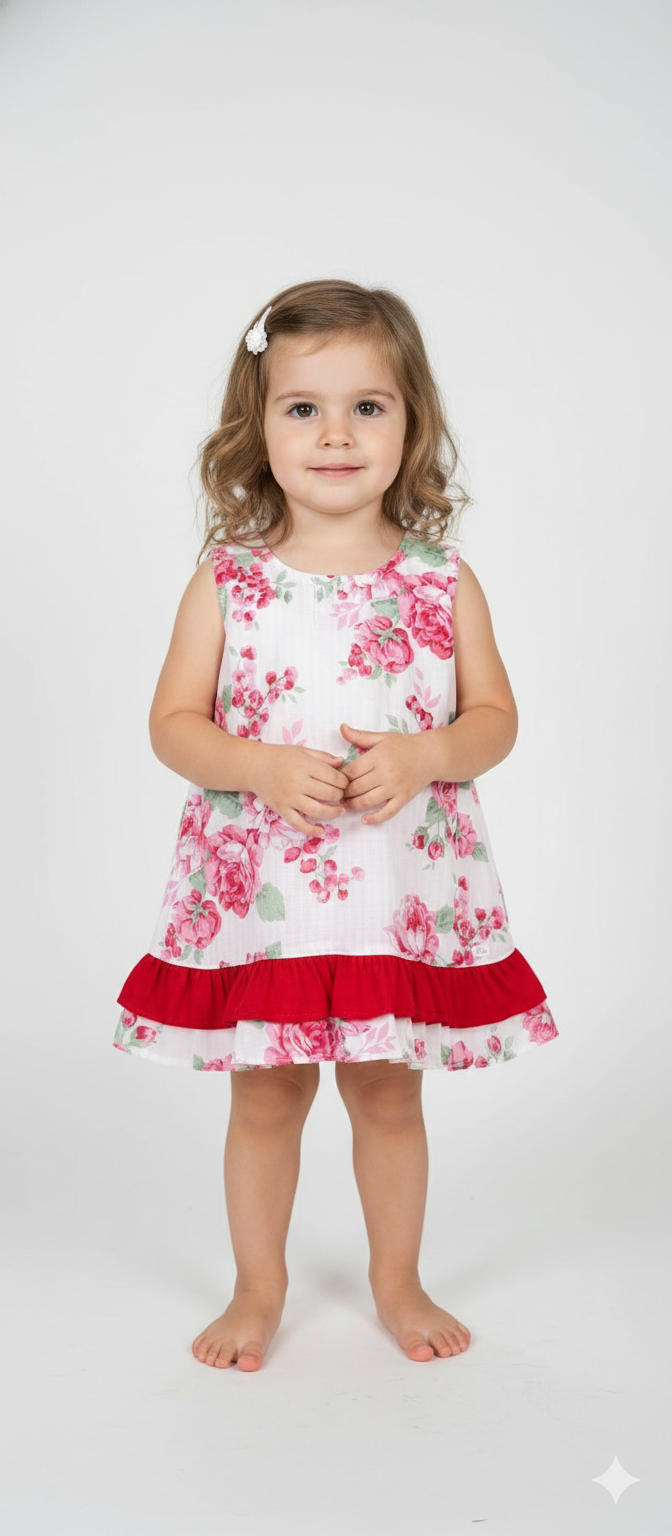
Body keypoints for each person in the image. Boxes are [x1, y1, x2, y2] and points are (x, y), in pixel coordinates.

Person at [115, 278, 559, 1372]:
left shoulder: (441, 581)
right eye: (303, 408)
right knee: (267, 1095)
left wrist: (427, 754)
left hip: (392, 890)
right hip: (266, 897)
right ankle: (257, 1286)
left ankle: (397, 1279)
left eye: (368, 407)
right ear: (257, 427)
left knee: (387, 1089)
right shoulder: (228, 582)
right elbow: (173, 725)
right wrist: (256, 766)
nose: (336, 435)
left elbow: (495, 719)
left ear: (412, 425)